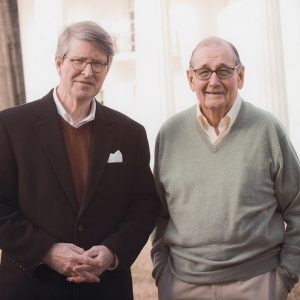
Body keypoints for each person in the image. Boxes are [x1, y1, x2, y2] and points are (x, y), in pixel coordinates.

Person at [0, 21, 159, 300]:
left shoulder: (130, 133)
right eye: (79, 60)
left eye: (98, 63)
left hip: (105, 288)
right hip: (32, 286)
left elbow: (145, 204)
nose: (88, 71)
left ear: (107, 69)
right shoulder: (11, 126)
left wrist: (112, 253)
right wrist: (46, 251)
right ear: (59, 63)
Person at [151, 36, 300, 300]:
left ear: (240, 76)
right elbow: (159, 214)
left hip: (257, 284)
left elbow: (298, 209)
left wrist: (283, 278)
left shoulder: (268, 130)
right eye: (204, 72)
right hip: (182, 286)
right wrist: (162, 273)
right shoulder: (170, 134)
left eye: (224, 71)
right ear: (190, 79)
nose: (213, 81)